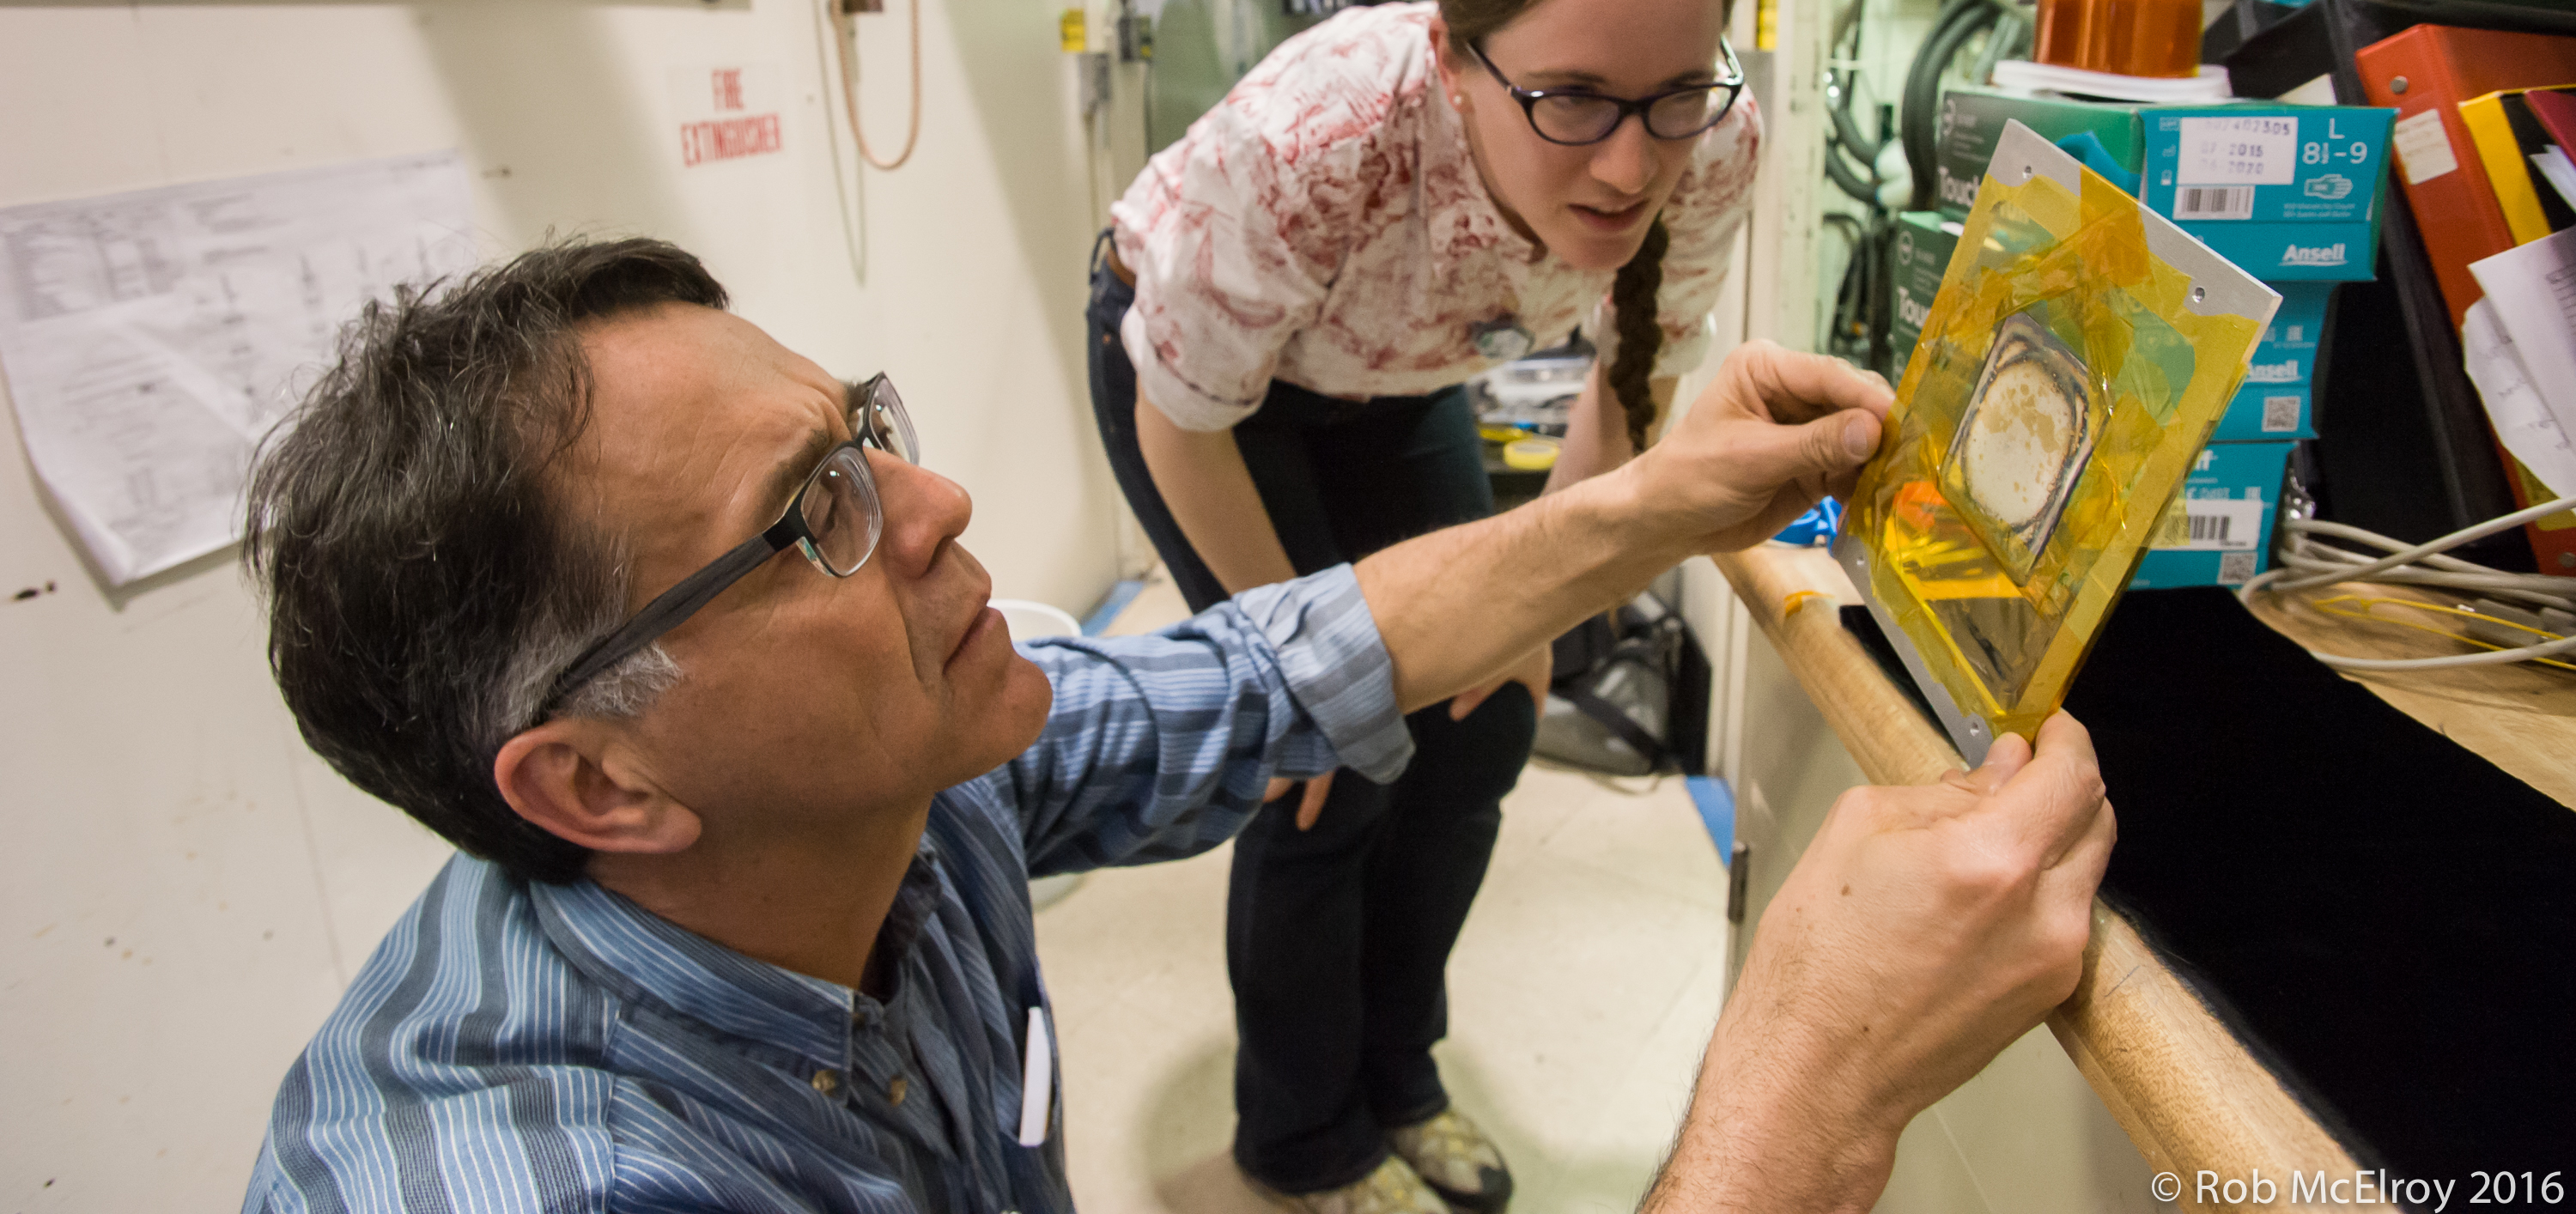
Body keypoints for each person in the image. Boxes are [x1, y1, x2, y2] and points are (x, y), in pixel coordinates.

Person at [240, 237, 2116, 1214]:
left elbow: (1266, 672)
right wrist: (1813, 1084)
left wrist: (1644, 506)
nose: (938, 499)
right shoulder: (571, 1177)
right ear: (596, 776)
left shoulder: (875, 793)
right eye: (810, 515)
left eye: (864, 430)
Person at [1089, 0, 1759, 1211]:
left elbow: (1632, 383)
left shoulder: (1712, 137)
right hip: (1211, 395)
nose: (1630, 166)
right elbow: (1183, 420)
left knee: (1484, 726)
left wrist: (1546, 595)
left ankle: (1403, 1073)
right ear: (1455, 60)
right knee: (1331, 769)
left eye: (1673, 96)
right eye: (1571, 98)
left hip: (1402, 379)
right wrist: (1308, 678)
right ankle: (1302, 1136)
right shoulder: (1321, 135)